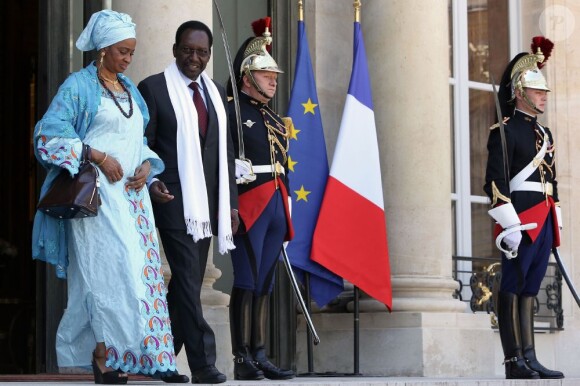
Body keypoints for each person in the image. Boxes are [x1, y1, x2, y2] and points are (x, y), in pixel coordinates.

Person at [32, 10, 180, 384]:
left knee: (143, 276)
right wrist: (97, 156)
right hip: (96, 200)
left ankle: (150, 359)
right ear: (102, 50)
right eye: (121, 52)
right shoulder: (78, 86)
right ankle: (106, 357)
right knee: (112, 275)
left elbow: (139, 143)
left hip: (133, 202)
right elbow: (47, 138)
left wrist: (147, 166)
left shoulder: (130, 91)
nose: (127, 59)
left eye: (131, 52)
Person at [138, 20, 239, 384]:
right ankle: (203, 364)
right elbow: (142, 145)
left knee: (188, 283)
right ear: (175, 48)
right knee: (184, 276)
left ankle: (156, 358)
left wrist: (232, 205)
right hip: (172, 198)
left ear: (209, 55)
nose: (193, 57)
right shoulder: (153, 88)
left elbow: (223, 154)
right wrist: (151, 182)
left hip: (207, 204)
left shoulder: (214, 92)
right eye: (187, 49)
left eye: (201, 52)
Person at [484, 36, 564, 380]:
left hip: (544, 215)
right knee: (513, 283)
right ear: (520, 91)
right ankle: (512, 360)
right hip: (521, 218)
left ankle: (530, 357)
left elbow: (553, 181)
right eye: (537, 90)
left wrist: (555, 218)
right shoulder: (504, 132)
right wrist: (509, 224)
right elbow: (494, 181)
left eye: (544, 91)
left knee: (532, 286)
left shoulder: (543, 133)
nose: (544, 95)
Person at [226, 19, 295, 381]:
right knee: (247, 280)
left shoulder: (274, 118)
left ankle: (260, 352)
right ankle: (241, 358)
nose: (274, 80)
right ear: (247, 76)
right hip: (250, 203)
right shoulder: (232, 111)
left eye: (274, 75)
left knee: (265, 282)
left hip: (275, 203)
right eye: (266, 74)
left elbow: (282, 164)